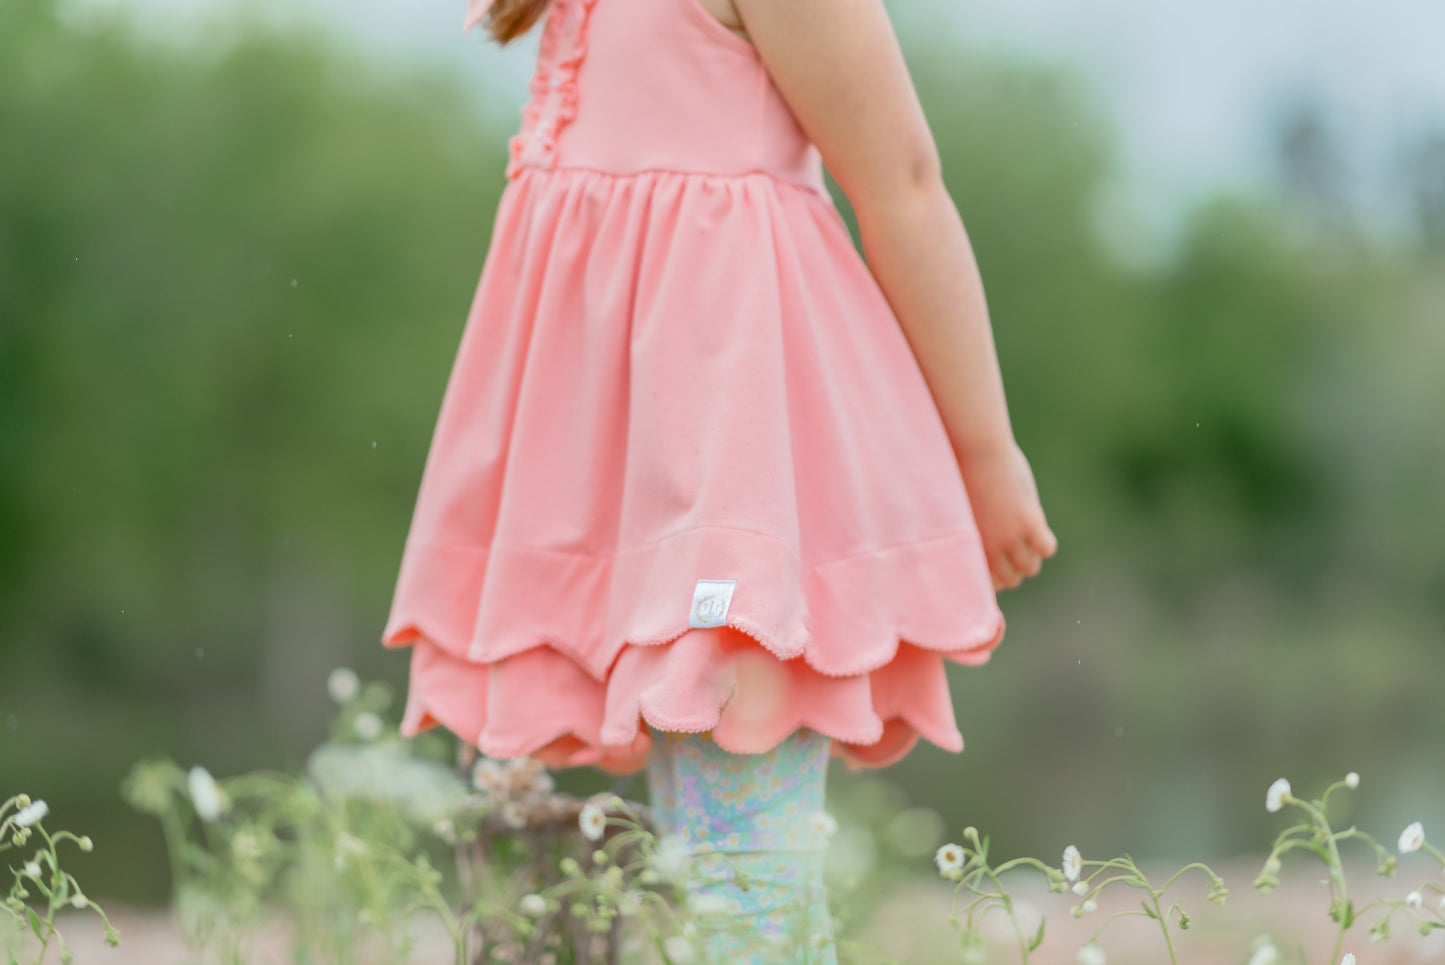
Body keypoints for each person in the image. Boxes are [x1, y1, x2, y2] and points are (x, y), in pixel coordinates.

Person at [380, 0, 1058, 958]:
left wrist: (984, 453)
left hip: (735, 464)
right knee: (565, 891)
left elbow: (902, 184)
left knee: (743, 896)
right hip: (586, 485)